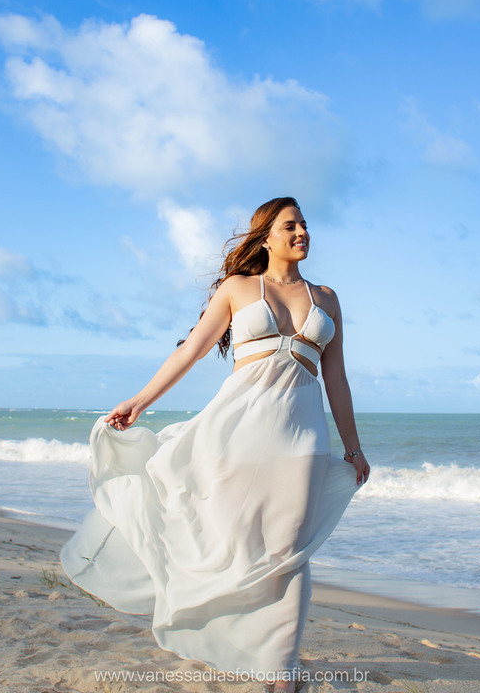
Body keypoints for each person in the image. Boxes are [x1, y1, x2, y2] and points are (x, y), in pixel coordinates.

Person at [61, 196, 370, 692]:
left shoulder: (327, 298)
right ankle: (233, 632)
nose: (302, 233)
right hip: (238, 433)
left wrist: (353, 449)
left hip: (302, 435)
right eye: (290, 226)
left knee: (290, 550)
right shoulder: (239, 288)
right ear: (266, 236)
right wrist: (140, 402)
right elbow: (191, 351)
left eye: (305, 225)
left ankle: (281, 672)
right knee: (231, 539)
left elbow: (337, 378)